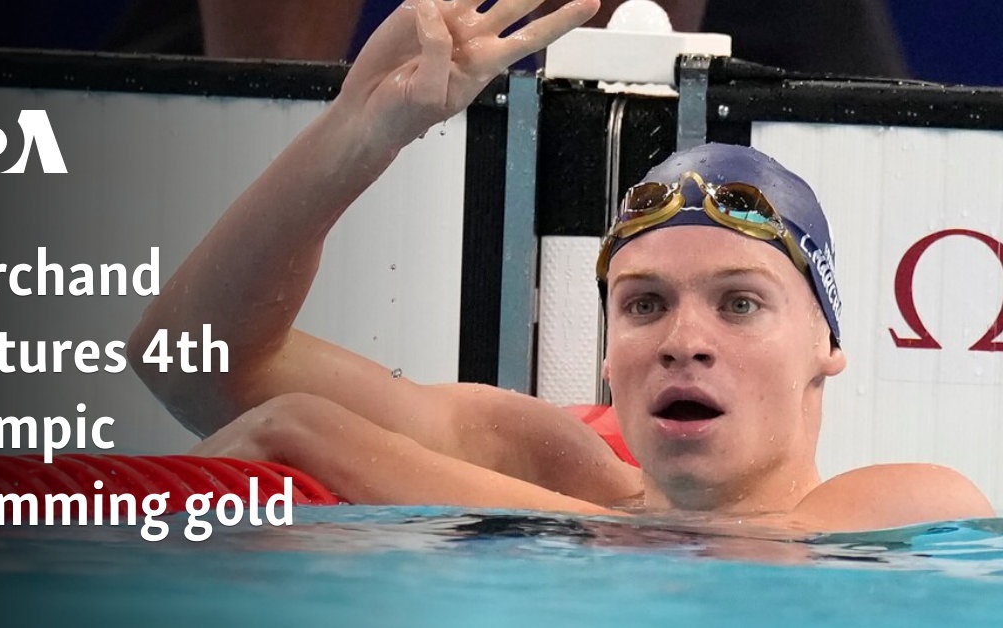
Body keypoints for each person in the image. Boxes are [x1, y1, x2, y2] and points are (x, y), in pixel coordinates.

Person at [127, 0, 993, 532]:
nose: (683, 341)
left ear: (826, 345)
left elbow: (740, 559)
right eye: (645, 305)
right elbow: (190, 364)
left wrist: (321, 437)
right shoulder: (543, 459)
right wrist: (355, 139)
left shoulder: (911, 505)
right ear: (609, 349)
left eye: (738, 304)